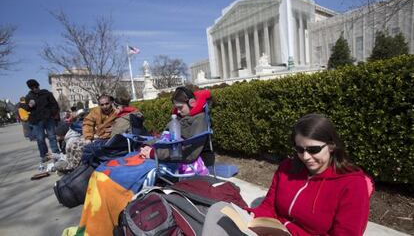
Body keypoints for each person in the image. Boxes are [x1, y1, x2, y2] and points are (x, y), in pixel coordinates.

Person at [202, 113, 373, 236]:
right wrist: (253, 217)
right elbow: (269, 205)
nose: (306, 157)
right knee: (219, 211)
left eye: (313, 150)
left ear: (331, 146)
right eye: (300, 149)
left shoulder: (351, 184)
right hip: (273, 232)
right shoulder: (287, 168)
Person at [74, 87, 212, 236]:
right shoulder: (179, 117)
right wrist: (148, 145)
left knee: (106, 180)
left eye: (180, 108)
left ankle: (103, 225)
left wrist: (154, 152)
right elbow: (164, 136)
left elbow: (188, 153)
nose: (178, 111)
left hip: (173, 160)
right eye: (176, 108)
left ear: (192, 103)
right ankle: (92, 224)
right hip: (160, 154)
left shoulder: (199, 119)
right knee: (100, 172)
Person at [24, 79, 61, 163]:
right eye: (32, 88)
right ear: (30, 88)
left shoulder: (46, 93)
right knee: (40, 139)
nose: (35, 89)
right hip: (36, 121)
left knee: (52, 137)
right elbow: (25, 108)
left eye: (36, 87)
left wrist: (52, 114)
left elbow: (55, 105)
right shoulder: (28, 97)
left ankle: (56, 153)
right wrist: (29, 106)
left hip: (48, 119)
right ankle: (44, 155)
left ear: (38, 86)